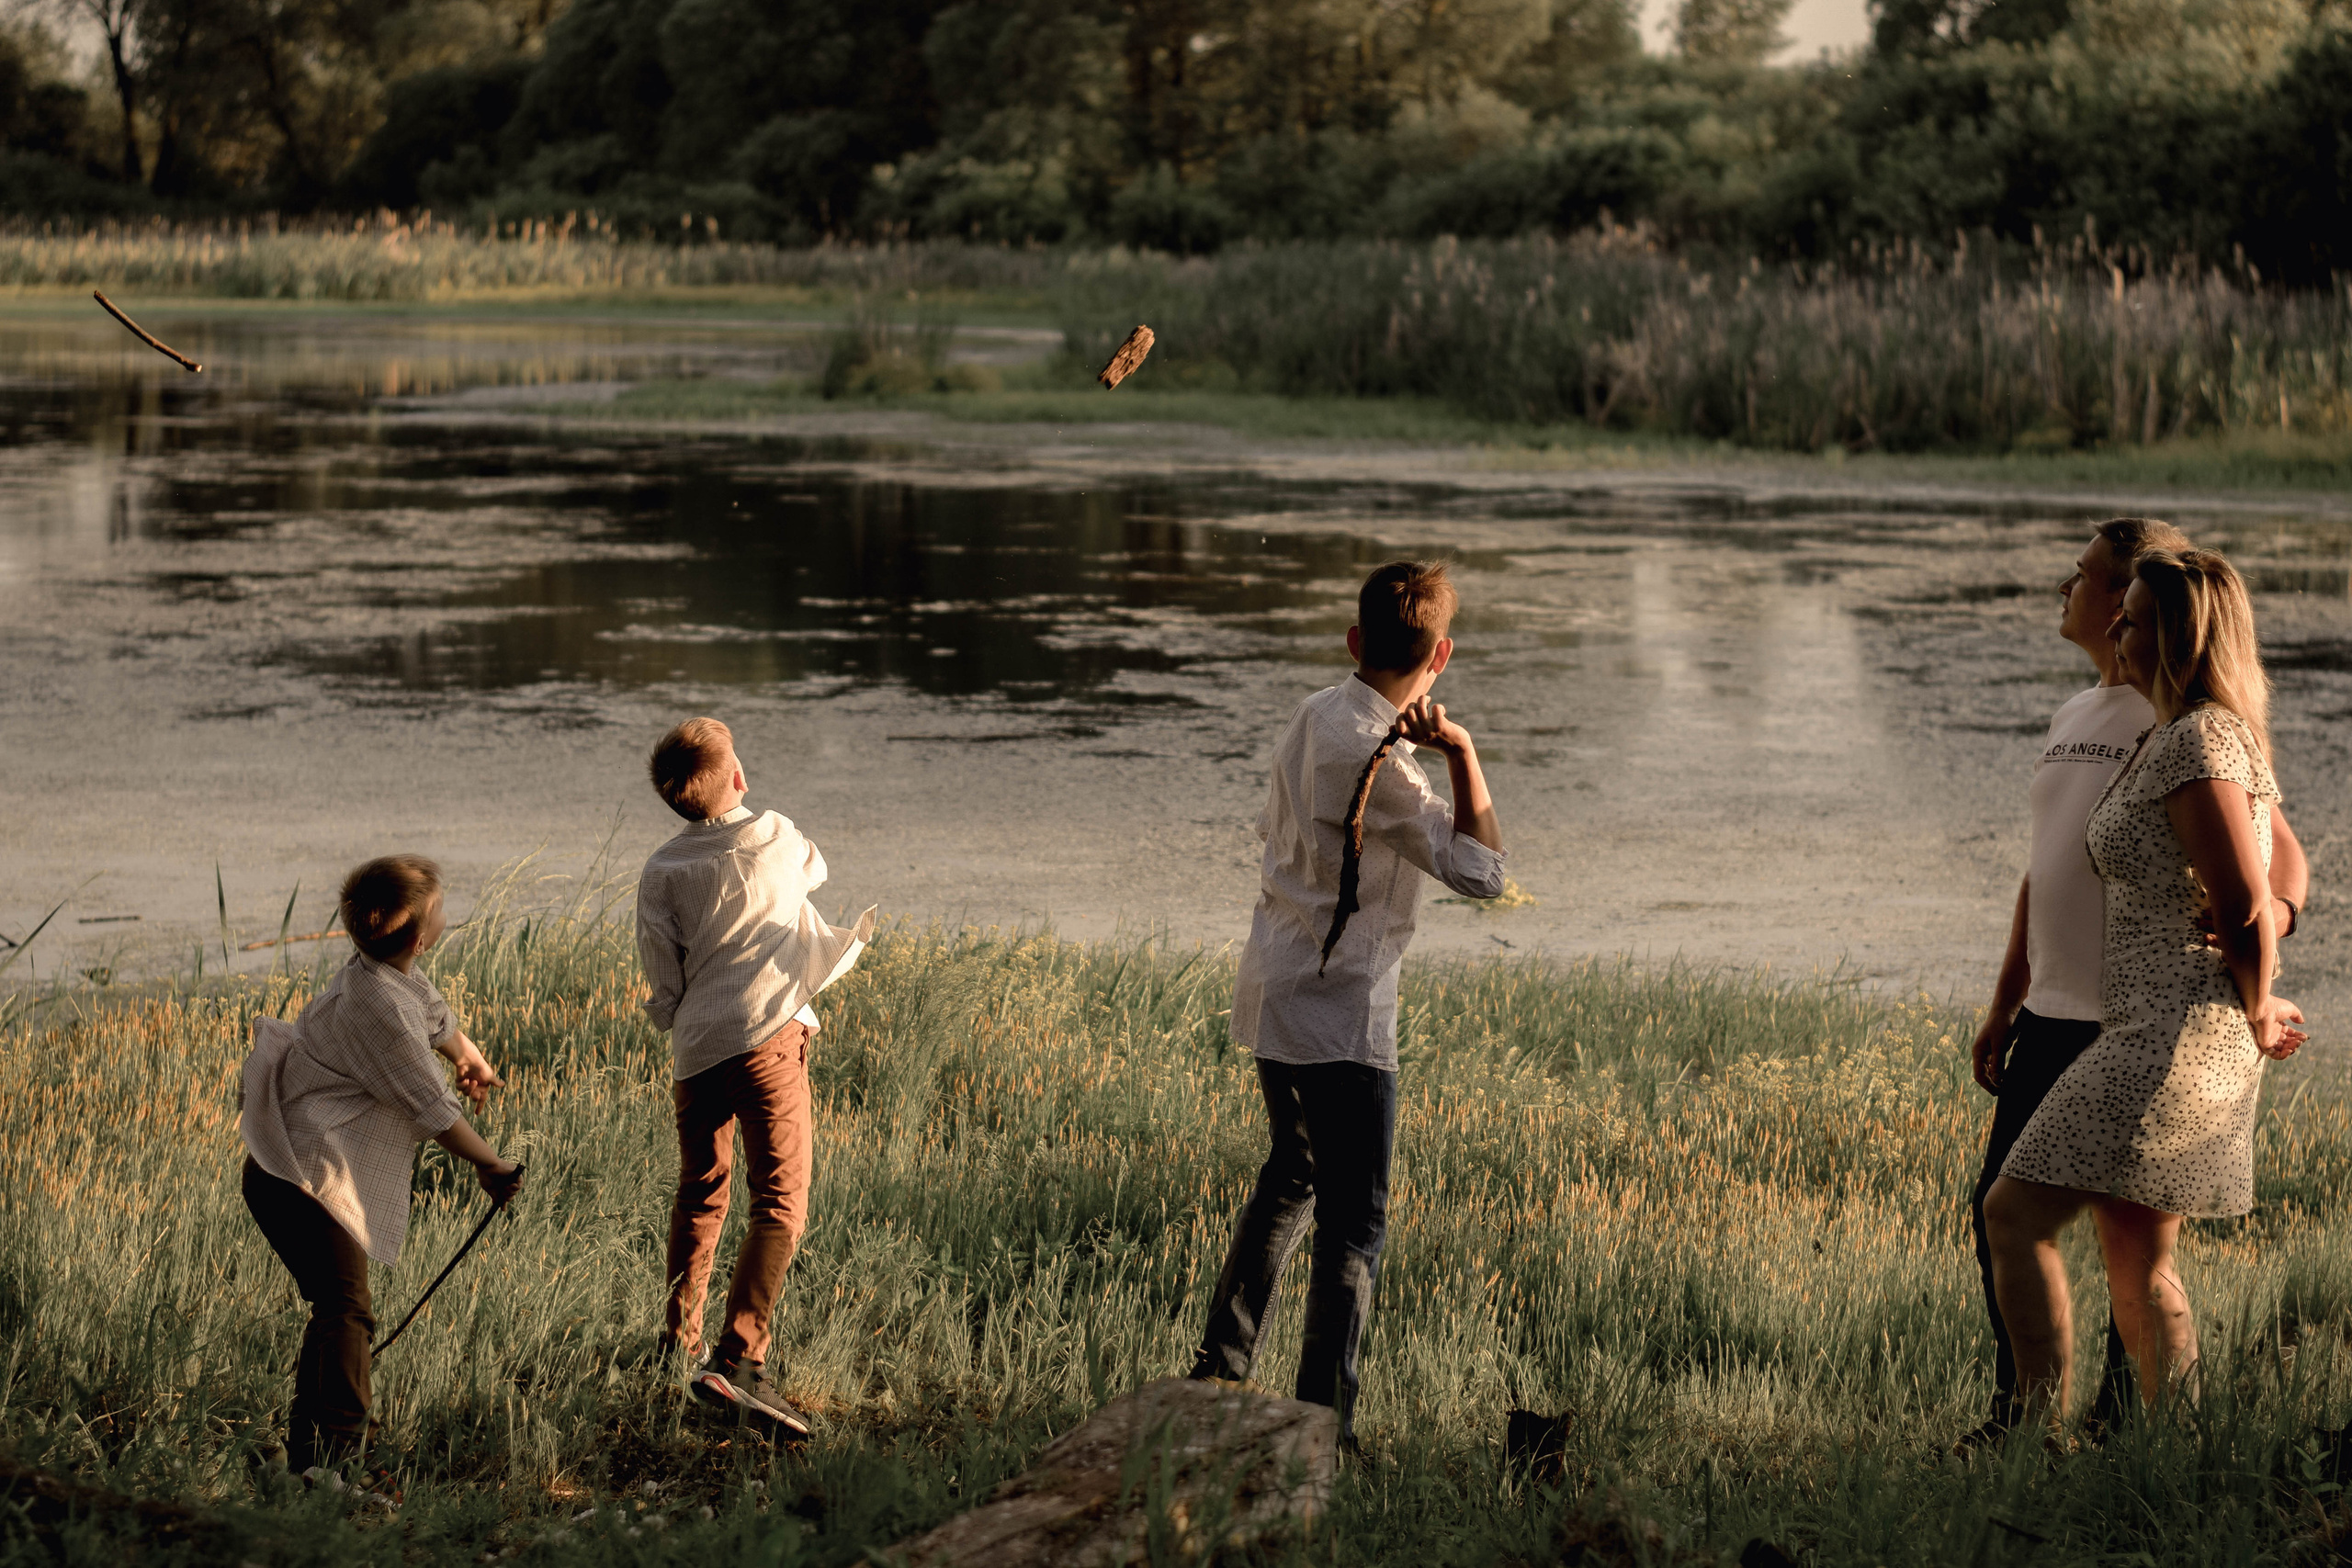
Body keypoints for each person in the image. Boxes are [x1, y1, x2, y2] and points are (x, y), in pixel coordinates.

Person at [1959, 519, 2310, 1450]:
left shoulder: (2196, 741)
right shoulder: (2156, 729)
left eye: (2135, 614)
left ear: (2171, 630)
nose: (2112, 622)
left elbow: (2254, 890)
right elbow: (2055, 868)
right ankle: (2168, 1452)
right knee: (2133, 1257)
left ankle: (2038, 1434)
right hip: (2115, 1020)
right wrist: (2007, 997)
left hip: (2164, 1033)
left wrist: (2261, 994)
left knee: (2013, 1213)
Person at [1188, 559, 1507, 1448]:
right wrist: (1463, 751)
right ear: (1442, 653)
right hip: (1342, 1019)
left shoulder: (1315, 715)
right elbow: (1484, 873)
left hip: (1274, 995)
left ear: (1355, 641)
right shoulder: (1393, 768)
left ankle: (1220, 1368)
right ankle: (1322, 1421)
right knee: (1354, 1219)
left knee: (1291, 1176)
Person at [239, 854, 522, 1478]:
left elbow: (433, 1011)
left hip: (291, 1165)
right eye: (442, 909)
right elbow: (431, 1109)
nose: (447, 914)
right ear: (421, 936)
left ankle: (308, 1460)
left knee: (336, 1306)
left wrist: (464, 1052)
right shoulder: (382, 1010)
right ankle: (335, 1463)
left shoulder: (382, 974)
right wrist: (491, 1163)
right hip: (301, 1173)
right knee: (347, 1307)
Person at [636, 716, 874, 1441]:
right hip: (769, 1038)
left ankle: (678, 1340)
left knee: (702, 1191)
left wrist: (681, 1012)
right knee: (780, 1202)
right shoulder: (773, 833)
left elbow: (661, 972)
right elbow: (817, 869)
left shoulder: (662, 870)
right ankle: (740, 1361)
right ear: (738, 777)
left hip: (697, 1046)